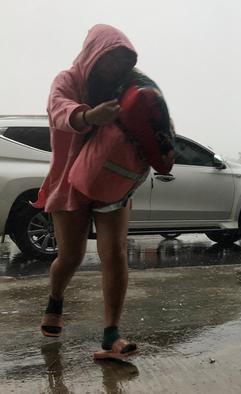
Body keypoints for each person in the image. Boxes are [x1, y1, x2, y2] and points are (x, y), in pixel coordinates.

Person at [35, 24, 147, 360]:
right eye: (108, 59)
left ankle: (111, 335)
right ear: (92, 54)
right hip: (69, 182)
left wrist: (163, 139)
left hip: (112, 179)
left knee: (114, 254)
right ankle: (56, 299)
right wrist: (88, 116)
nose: (114, 67)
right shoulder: (67, 80)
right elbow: (57, 109)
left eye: (121, 61)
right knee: (71, 256)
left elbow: (152, 109)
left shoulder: (128, 84)